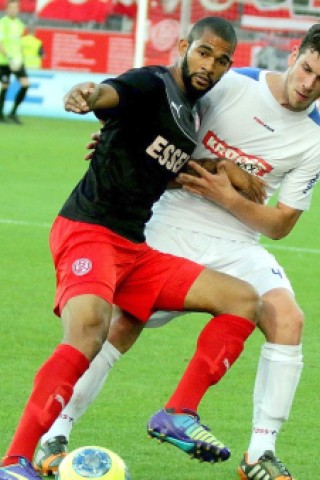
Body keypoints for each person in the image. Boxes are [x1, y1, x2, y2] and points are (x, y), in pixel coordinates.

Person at [33, 23, 320, 480]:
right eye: (307, 68)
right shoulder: (230, 86)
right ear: (294, 54)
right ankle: (54, 435)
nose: (309, 84)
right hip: (170, 223)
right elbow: (157, 133)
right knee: (120, 324)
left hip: (237, 242)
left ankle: (258, 454)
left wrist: (228, 196)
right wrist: (120, 142)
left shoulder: (313, 138)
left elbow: (282, 224)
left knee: (288, 318)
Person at [0, 0, 29, 124]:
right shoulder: (3, 23)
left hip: (18, 61)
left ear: (18, 9)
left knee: (25, 84)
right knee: (5, 85)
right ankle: (0, 114)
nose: (13, 10)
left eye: (15, 8)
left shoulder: (19, 24)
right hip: (4, 62)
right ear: (7, 9)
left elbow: (19, 43)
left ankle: (13, 112)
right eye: (11, 8)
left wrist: (21, 58)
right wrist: (10, 58)